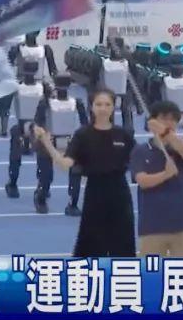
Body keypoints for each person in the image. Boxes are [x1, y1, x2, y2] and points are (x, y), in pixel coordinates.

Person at [35, 89, 136, 257]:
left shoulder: (123, 134)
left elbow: (138, 160)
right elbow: (65, 164)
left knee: (123, 244)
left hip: (120, 193)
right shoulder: (83, 135)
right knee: (91, 244)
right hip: (95, 192)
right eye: (99, 104)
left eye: (107, 104)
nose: (103, 108)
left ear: (113, 107)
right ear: (92, 107)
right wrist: (47, 143)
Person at [132, 101, 183, 256]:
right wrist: (165, 175)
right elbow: (142, 181)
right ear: (153, 122)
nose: (169, 123)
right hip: (151, 226)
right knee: (151, 270)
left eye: (173, 119)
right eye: (164, 118)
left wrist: (164, 132)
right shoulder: (140, 151)